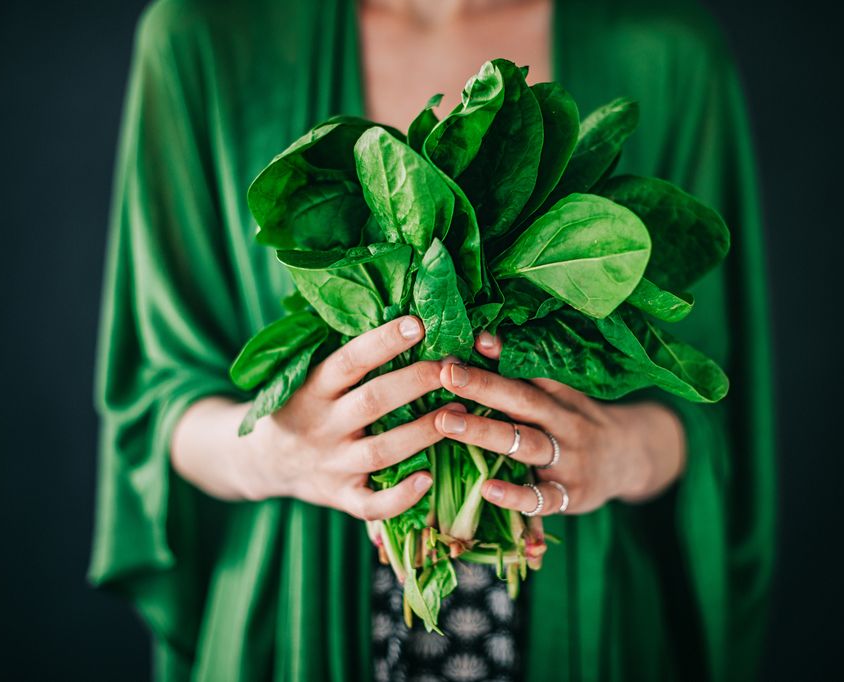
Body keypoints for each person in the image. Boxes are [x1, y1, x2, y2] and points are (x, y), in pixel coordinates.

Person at [88, 0, 775, 680]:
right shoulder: (201, 37)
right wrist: (277, 454)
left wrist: (619, 453)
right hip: (294, 621)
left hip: (588, 621)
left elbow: (710, 400)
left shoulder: (667, 50)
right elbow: (157, 400)